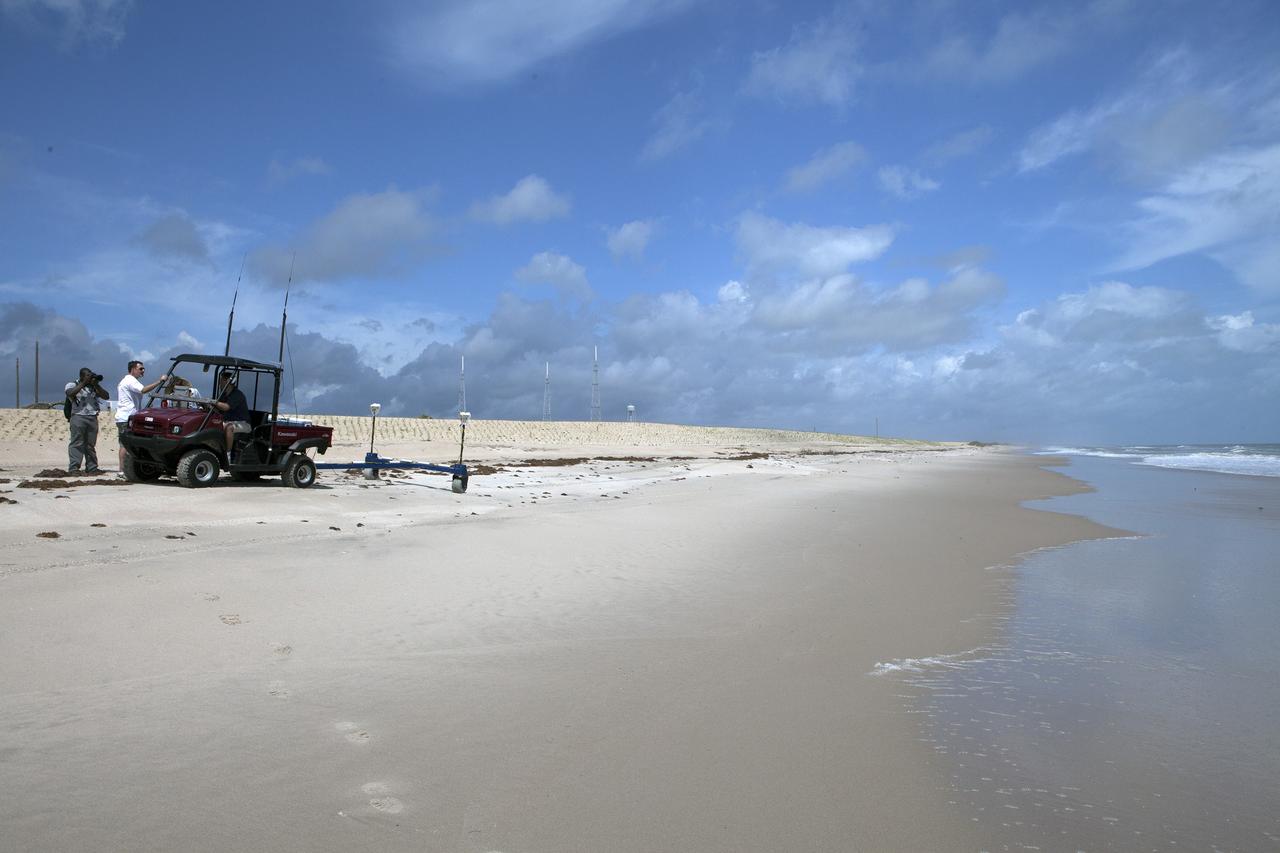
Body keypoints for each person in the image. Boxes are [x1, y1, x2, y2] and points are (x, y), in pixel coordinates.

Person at [116, 360, 168, 472]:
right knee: (126, 444)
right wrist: (160, 381)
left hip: (127, 417)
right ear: (133, 369)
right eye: (140, 369)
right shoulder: (130, 380)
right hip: (127, 417)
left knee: (126, 444)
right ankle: (122, 470)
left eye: (143, 369)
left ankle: (126, 470)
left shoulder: (128, 380)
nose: (143, 371)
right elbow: (143, 390)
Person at [64, 367, 109, 473]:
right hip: (78, 416)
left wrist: (96, 384)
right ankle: (74, 468)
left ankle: (92, 467)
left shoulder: (93, 387)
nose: (90, 378)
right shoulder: (72, 384)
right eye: (87, 375)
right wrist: (83, 383)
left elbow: (106, 396)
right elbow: (70, 393)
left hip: (92, 417)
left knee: (90, 444)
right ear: (82, 376)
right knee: (77, 443)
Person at [213, 370, 251, 463]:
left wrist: (214, 402)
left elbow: (226, 407)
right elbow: (218, 409)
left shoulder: (237, 394)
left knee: (229, 427)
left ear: (227, 382)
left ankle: (228, 454)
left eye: (221, 381)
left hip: (243, 423)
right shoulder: (223, 395)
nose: (219, 384)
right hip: (229, 421)